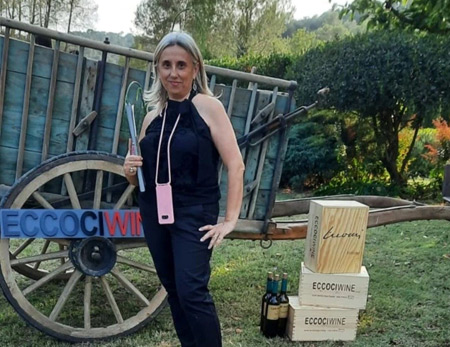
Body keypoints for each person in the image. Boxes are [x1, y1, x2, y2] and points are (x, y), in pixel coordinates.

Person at [123, 31, 245, 347]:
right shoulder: (151, 119)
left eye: (181, 65)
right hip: (154, 213)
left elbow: (236, 165)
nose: (173, 73)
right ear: (157, 69)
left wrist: (230, 220)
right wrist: (130, 172)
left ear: (195, 69)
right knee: (174, 288)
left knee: (192, 290)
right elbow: (140, 180)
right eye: (166, 65)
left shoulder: (206, 106)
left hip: (194, 213)